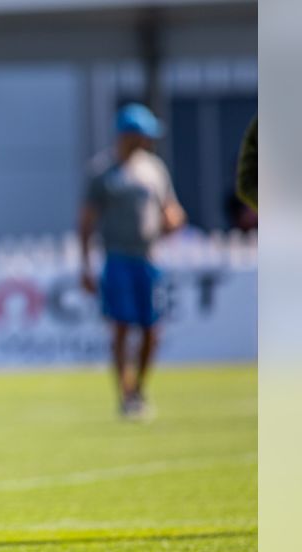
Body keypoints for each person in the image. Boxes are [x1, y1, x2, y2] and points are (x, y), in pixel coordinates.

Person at [78, 104, 186, 420]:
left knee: (153, 329)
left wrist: (173, 221)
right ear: (128, 136)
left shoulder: (154, 169)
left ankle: (139, 387)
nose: (147, 142)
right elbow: (86, 220)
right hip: (117, 257)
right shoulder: (102, 172)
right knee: (122, 327)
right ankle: (124, 394)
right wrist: (85, 265)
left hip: (149, 258)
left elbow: (171, 210)